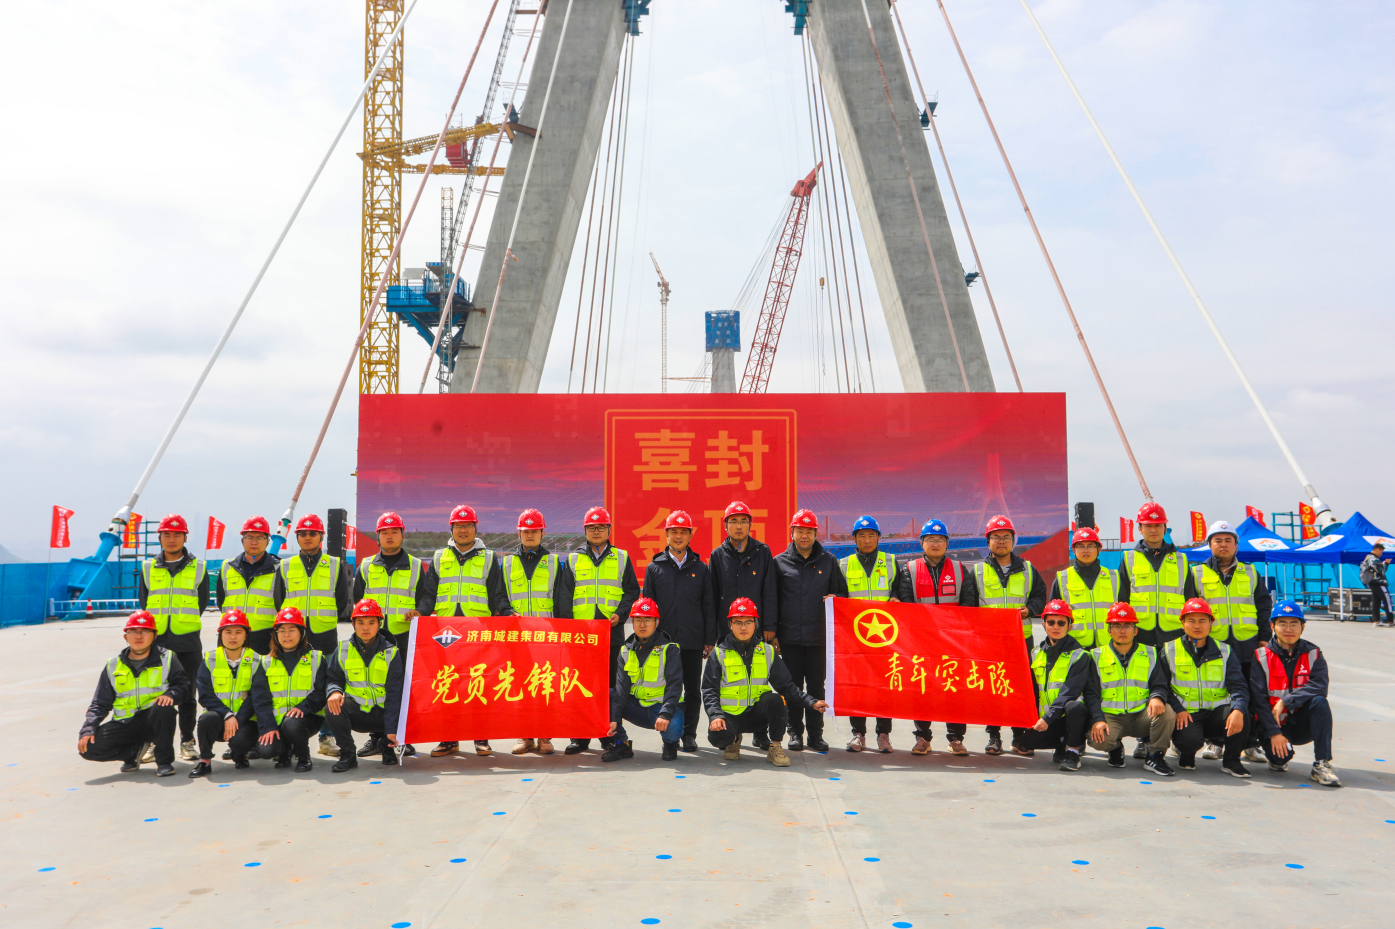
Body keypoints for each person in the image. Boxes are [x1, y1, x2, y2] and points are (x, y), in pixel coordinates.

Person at [425, 504, 512, 759]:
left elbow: (497, 595)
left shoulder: (489, 558)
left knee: (477, 684)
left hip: (478, 632)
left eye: (468, 526)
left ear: (476, 528)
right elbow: (429, 594)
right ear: (451, 529)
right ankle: (448, 739)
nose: (463, 530)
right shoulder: (439, 557)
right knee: (448, 684)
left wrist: (507, 612)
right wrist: (420, 611)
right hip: (446, 633)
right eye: (458, 526)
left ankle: (480, 737)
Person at [702, 598, 828, 767]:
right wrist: (715, 716)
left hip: (757, 716)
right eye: (738, 622)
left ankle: (775, 746)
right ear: (730, 625)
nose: (743, 627)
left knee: (776, 700)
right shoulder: (718, 653)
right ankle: (733, 739)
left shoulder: (767, 651)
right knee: (718, 737)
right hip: (730, 715)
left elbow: (786, 686)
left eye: (748, 622)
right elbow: (709, 690)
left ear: (756, 624)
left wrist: (810, 702)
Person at [959, 514, 1046, 756]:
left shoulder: (1028, 569)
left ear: (1013, 540)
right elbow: (968, 605)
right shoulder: (977, 571)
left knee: (1021, 689)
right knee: (992, 689)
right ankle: (994, 736)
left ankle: (1019, 736)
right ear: (988, 541)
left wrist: (1030, 609)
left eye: (1006, 537)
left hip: (1021, 640)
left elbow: (1040, 597)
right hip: (989, 642)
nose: (1001, 541)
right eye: (996, 537)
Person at [1118, 502, 1198, 759]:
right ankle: (1145, 739)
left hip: (1173, 634)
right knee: (1144, 686)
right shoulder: (1128, 559)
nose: (1153, 530)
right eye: (1148, 525)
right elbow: (1122, 598)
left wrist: (1189, 632)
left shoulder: (1181, 559)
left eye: (1158, 525)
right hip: (1141, 634)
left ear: (1166, 528)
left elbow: (1190, 598)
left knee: (1176, 684)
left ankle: (1176, 737)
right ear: (1139, 528)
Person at [1192, 519, 1273, 762]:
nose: (1223, 545)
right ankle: (1214, 742)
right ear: (1209, 544)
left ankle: (1250, 744)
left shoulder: (1250, 572)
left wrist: (1264, 637)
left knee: (1251, 693)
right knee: (1215, 693)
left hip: (1247, 643)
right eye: (1218, 540)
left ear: (1236, 545)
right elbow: (1190, 610)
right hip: (1213, 645)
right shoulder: (1196, 573)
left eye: (1228, 540)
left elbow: (1263, 605)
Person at [353, 511, 432, 758]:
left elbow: (426, 597)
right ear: (377, 536)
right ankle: (376, 738)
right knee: (373, 686)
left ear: (402, 535)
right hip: (372, 639)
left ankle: (402, 738)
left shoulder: (416, 566)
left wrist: (419, 611)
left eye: (394, 532)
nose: (389, 536)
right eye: (384, 532)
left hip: (403, 636)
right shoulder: (366, 566)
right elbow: (357, 601)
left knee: (403, 689)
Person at [892, 518, 974, 755]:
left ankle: (956, 738)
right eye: (930, 539)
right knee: (922, 689)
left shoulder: (960, 570)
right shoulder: (909, 570)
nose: (935, 544)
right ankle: (922, 738)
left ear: (947, 543)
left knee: (954, 689)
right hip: (922, 641)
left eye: (940, 539)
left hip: (953, 642)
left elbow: (969, 602)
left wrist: (953, 629)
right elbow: (906, 602)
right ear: (922, 543)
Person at [564, 505, 641, 756]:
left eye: (601, 527)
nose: (596, 531)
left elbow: (631, 592)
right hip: (581, 635)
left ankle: (608, 736)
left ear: (609, 529)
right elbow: (564, 596)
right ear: (585, 530)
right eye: (591, 527)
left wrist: (621, 613)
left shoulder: (621, 557)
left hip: (611, 632)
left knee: (609, 689)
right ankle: (580, 737)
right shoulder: (573, 559)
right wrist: (569, 627)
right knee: (579, 685)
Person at [276, 512, 353, 758]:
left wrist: (323, 619)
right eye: (302, 533)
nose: (307, 537)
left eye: (312, 533)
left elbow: (341, 600)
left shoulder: (334, 564)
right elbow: (279, 601)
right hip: (293, 641)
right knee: (292, 687)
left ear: (321, 536)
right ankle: (288, 737)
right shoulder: (285, 566)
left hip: (324, 637)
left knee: (329, 689)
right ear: (296, 537)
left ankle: (326, 738)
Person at [772, 509, 848, 753]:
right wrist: (773, 633)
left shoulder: (828, 561)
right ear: (792, 532)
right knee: (792, 687)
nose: (804, 536)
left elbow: (842, 595)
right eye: (800, 531)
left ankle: (816, 734)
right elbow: (772, 600)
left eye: (809, 531)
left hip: (819, 637)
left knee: (816, 687)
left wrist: (836, 597)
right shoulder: (779, 563)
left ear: (816, 534)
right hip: (790, 638)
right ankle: (795, 733)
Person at [500, 508, 575, 756]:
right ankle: (525, 737)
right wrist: (507, 612)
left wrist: (562, 632)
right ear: (519, 534)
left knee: (545, 686)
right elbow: (500, 596)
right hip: (518, 637)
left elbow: (562, 599)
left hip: (546, 637)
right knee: (520, 686)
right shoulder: (507, 563)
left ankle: (545, 736)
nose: (530, 535)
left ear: (543, 533)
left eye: (534, 531)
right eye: (525, 531)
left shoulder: (554, 563)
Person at [641, 509, 716, 754]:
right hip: (663, 643)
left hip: (692, 640)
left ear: (690, 536)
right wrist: (648, 639)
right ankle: (670, 738)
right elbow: (647, 608)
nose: (679, 536)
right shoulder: (655, 568)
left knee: (693, 690)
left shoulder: (701, 568)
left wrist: (709, 638)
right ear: (666, 535)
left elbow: (708, 605)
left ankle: (689, 735)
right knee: (667, 690)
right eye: (674, 532)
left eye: (684, 532)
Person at [78, 611, 188, 777]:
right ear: (125, 637)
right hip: (125, 723)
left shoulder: (167, 658)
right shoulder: (113, 665)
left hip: (153, 721)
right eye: (133, 631)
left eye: (144, 631)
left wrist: (171, 695)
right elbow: (100, 703)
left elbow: (183, 686)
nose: (138, 636)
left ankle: (164, 762)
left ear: (154, 635)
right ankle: (133, 753)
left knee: (164, 709)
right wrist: (88, 729)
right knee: (88, 748)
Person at [138, 513, 209, 763]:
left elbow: (201, 603)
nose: (171, 539)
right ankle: (155, 742)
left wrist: (183, 624)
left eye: (177, 535)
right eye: (167, 534)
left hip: (187, 640)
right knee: (156, 692)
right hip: (157, 642)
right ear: (159, 538)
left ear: (185, 537)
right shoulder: (148, 568)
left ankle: (187, 741)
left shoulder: (199, 567)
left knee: (188, 694)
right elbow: (144, 603)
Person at [1251, 600, 1340, 786]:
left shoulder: (1314, 653)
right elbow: (1258, 699)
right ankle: (1277, 755)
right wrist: (1274, 732)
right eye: (1282, 623)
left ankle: (1322, 763)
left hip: (1302, 723)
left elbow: (1320, 686)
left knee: (1320, 702)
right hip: (1275, 724)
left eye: (1294, 624)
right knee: (1279, 759)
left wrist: (1285, 701)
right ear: (1272, 626)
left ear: (1303, 627)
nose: (1288, 629)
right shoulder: (1261, 656)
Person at [1163, 598, 1252, 778]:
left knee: (1242, 714)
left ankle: (1232, 761)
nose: (1197, 626)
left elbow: (1239, 686)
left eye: (1202, 620)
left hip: (1216, 713)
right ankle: (1186, 752)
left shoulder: (1225, 651)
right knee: (1188, 741)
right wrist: (1178, 709)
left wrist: (1238, 709)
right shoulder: (1169, 650)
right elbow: (1163, 687)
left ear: (1211, 623)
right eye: (1191, 620)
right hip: (1186, 714)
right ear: (1182, 623)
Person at [1085, 602, 1176, 776]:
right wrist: (1097, 719)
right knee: (1100, 741)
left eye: (1127, 626)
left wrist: (1157, 697)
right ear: (1109, 630)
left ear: (1135, 630)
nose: (1122, 631)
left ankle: (1155, 756)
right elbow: (1091, 694)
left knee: (1167, 713)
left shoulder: (1150, 653)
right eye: (1116, 626)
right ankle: (1115, 747)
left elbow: (1160, 683)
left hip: (1140, 715)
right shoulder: (1095, 656)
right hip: (1110, 716)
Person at [1011, 600, 1097, 771]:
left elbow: (1070, 692)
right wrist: (1029, 718)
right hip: (1050, 718)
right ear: (1043, 624)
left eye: (1061, 623)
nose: (1055, 627)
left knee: (1074, 706)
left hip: (1072, 717)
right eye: (1051, 622)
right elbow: (1030, 690)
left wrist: (1047, 718)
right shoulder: (1036, 653)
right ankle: (1062, 744)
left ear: (1070, 626)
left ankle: (1073, 751)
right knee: (1027, 742)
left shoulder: (1080, 656)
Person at [324, 599, 405, 772]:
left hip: (385, 713)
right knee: (333, 706)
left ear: (379, 624)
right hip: (358, 713)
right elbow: (333, 678)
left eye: (371, 622)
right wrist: (334, 691)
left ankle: (386, 744)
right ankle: (348, 754)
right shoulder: (343, 649)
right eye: (360, 622)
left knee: (408, 708)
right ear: (353, 624)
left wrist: (392, 729)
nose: (366, 628)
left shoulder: (392, 652)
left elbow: (395, 693)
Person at [840, 515, 898, 753]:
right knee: (858, 687)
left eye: (871, 535)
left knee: (885, 687)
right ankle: (858, 734)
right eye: (862, 535)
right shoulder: (844, 565)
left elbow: (899, 590)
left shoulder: (891, 562)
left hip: (886, 639)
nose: (866, 540)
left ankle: (884, 735)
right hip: (856, 638)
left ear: (878, 538)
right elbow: (839, 595)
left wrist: (897, 598)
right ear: (854, 538)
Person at [603, 598, 684, 762]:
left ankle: (670, 744)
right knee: (604, 697)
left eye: (648, 620)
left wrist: (665, 714)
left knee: (673, 727)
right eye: (638, 620)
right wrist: (615, 719)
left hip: (661, 707)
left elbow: (674, 686)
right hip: (636, 707)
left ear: (656, 622)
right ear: (632, 622)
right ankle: (622, 744)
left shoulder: (669, 649)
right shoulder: (625, 651)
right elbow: (621, 690)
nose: (642, 625)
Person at [249, 607, 328, 773]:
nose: (286, 635)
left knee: (292, 723)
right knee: (266, 751)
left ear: (302, 633)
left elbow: (321, 692)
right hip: (277, 719)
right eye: (282, 630)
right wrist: (269, 726)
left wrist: (303, 707)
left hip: (307, 717)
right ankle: (285, 750)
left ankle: (303, 756)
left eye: (292, 630)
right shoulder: (266, 662)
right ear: (275, 634)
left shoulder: (316, 658)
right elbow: (260, 699)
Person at [189, 610, 262, 777]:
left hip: (246, 719)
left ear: (246, 635)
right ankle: (205, 761)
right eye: (228, 632)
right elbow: (205, 695)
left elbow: (256, 696)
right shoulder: (209, 659)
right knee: (206, 719)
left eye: (238, 632)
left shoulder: (257, 660)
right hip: (219, 717)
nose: (233, 637)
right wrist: (228, 715)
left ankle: (240, 754)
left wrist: (238, 720)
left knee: (241, 741)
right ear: (220, 635)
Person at [709, 500, 779, 646]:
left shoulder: (763, 552)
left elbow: (770, 592)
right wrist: (711, 632)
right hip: (726, 629)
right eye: (734, 521)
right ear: (725, 525)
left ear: (750, 525)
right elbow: (712, 597)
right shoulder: (717, 555)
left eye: (743, 521)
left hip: (756, 627)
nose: (739, 526)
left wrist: (769, 625)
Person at [217, 516, 280, 655]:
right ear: (242, 540)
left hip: (265, 638)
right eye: (249, 537)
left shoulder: (278, 569)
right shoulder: (227, 567)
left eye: (260, 538)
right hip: (231, 635)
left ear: (268, 541)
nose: (254, 542)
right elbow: (221, 600)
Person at [1049, 527, 1118, 650]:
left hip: (1109, 645)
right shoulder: (1063, 578)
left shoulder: (1114, 577)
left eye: (1090, 546)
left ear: (1099, 549)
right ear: (1073, 550)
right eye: (1080, 546)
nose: (1086, 550)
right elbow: (1053, 616)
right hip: (1074, 646)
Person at [1360, 543, 1391, 626]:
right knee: (1387, 600)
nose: (1381, 554)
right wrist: (1386, 563)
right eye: (1381, 551)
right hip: (1379, 582)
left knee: (1376, 601)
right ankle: (1391, 620)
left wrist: (1382, 564)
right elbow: (1381, 571)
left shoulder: (1367, 557)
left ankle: (1376, 620)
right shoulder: (1374, 559)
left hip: (1372, 583)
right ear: (1377, 549)